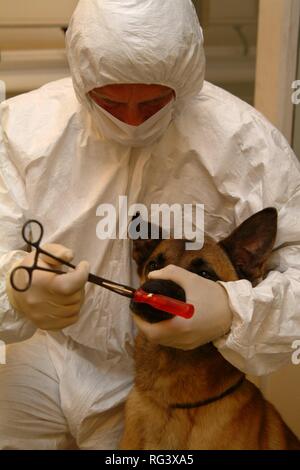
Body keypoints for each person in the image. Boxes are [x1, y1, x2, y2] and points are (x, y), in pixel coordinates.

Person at [0, 0, 299, 450]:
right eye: (112, 102)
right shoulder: (20, 131)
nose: (134, 121)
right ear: (82, 82)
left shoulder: (248, 144)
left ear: (186, 79)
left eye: (155, 101)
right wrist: (12, 290)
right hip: (44, 351)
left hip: (156, 380)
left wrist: (233, 310)